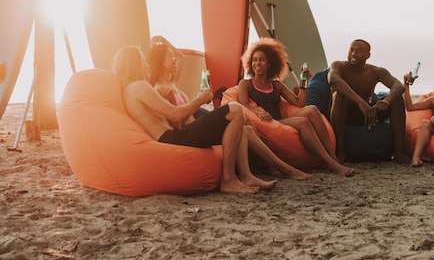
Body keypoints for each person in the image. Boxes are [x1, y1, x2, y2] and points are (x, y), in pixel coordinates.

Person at [113, 45, 311, 194]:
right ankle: (228, 179)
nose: (146, 64)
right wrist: (200, 99)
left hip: (172, 134)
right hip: (171, 137)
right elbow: (176, 115)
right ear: (134, 63)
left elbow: (171, 118)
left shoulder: (131, 90)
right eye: (142, 60)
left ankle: (247, 175)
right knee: (234, 109)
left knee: (240, 123)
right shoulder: (139, 86)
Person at [238, 38, 354, 177]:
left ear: (269, 64)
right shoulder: (246, 84)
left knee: (312, 109)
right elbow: (243, 105)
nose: (257, 63)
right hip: (268, 123)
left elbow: (299, 103)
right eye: (255, 60)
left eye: (262, 60)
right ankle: (332, 164)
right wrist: (257, 111)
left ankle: (332, 157)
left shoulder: (276, 84)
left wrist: (303, 81)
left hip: (280, 120)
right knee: (302, 122)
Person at [328, 39, 409, 164]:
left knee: (397, 100)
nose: (353, 54)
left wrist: (386, 101)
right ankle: (340, 151)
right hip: (346, 113)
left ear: (368, 55)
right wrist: (360, 102)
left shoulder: (376, 71)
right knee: (339, 96)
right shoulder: (339, 66)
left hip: (370, 114)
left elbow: (399, 86)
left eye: (359, 51)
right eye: (351, 49)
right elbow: (333, 80)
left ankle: (398, 152)